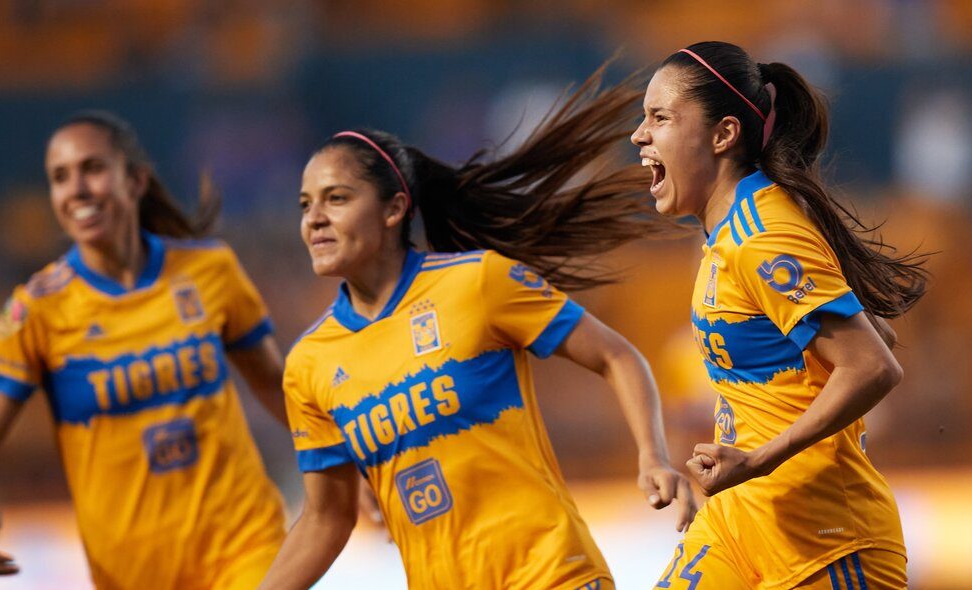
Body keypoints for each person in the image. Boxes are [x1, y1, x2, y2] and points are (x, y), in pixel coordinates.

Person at [259, 66, 696, 590]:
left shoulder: (477, 284)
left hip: (553, 573)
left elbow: (616, 356)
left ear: (395, 208)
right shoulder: (310, 363)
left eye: (336, 199)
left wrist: (651, 454)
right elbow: (326, 520)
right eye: (305, 205)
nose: (314, 219)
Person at [0, 111, 289, 590]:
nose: (77, 189)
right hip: (130, 575)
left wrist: (343, 466)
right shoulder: (37, 312)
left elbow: (275, 386)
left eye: (92, 168)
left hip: (245, 548)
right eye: (60, 178)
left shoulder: (210, 270)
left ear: (135, 180)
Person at [630, 42, 929, 589]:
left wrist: (762, 458)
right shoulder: (735, 228)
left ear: (723, 135)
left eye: (660, 118)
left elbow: (873, 364)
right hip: (737, 525)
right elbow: (868, 331)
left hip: (826, 545)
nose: (639, 135)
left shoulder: (761, 234)